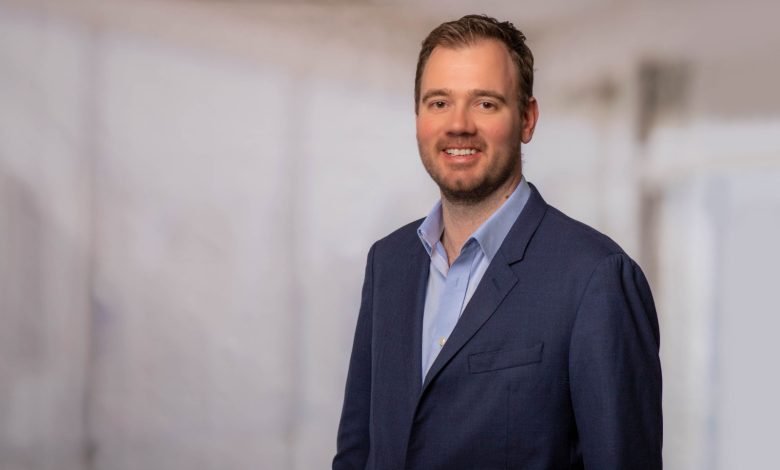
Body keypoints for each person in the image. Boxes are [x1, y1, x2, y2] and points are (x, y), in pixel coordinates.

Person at [333, 14, 662, 470]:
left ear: (527, 119)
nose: (458, 125)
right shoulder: (388, 263)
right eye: (439, 102)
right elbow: (358, 453)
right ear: (418, 118)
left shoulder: (596, 278)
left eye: (485, 103)